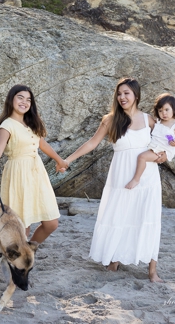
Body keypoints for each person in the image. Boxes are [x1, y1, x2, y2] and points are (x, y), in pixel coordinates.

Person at [62, 77, 166, 282]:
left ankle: (152, 271)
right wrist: (68, 159)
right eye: (119, 94)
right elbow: (92, 143)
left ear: (136, 95)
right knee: (119, 215)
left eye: (126, 93)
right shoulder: (110, 120)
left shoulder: (149, 120)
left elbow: (169, 140)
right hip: (121, 173)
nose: (122, 97)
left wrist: (165, 154)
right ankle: (114, 259)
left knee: (148, 218)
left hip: (147, 177)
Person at [0, 85, 68, 244]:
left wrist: (60, 160)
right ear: (11, 100)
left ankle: (29, 250)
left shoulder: (31, 123)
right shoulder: (7, 125)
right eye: (20, 97)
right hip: (18, 174)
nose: (24, 102)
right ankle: (18, 262)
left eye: (28, 99)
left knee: (51, 223)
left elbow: (43, 145)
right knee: (23, 225)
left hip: (37, 174)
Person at [125, 93, 175, 190]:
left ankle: (136, 179)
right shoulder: (158, 122)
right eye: (160, 111)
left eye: (166, 110)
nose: (163, 113)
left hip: (161, 151)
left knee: (142, 157)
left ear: (173, 109)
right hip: (153, 147)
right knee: (140, 157)